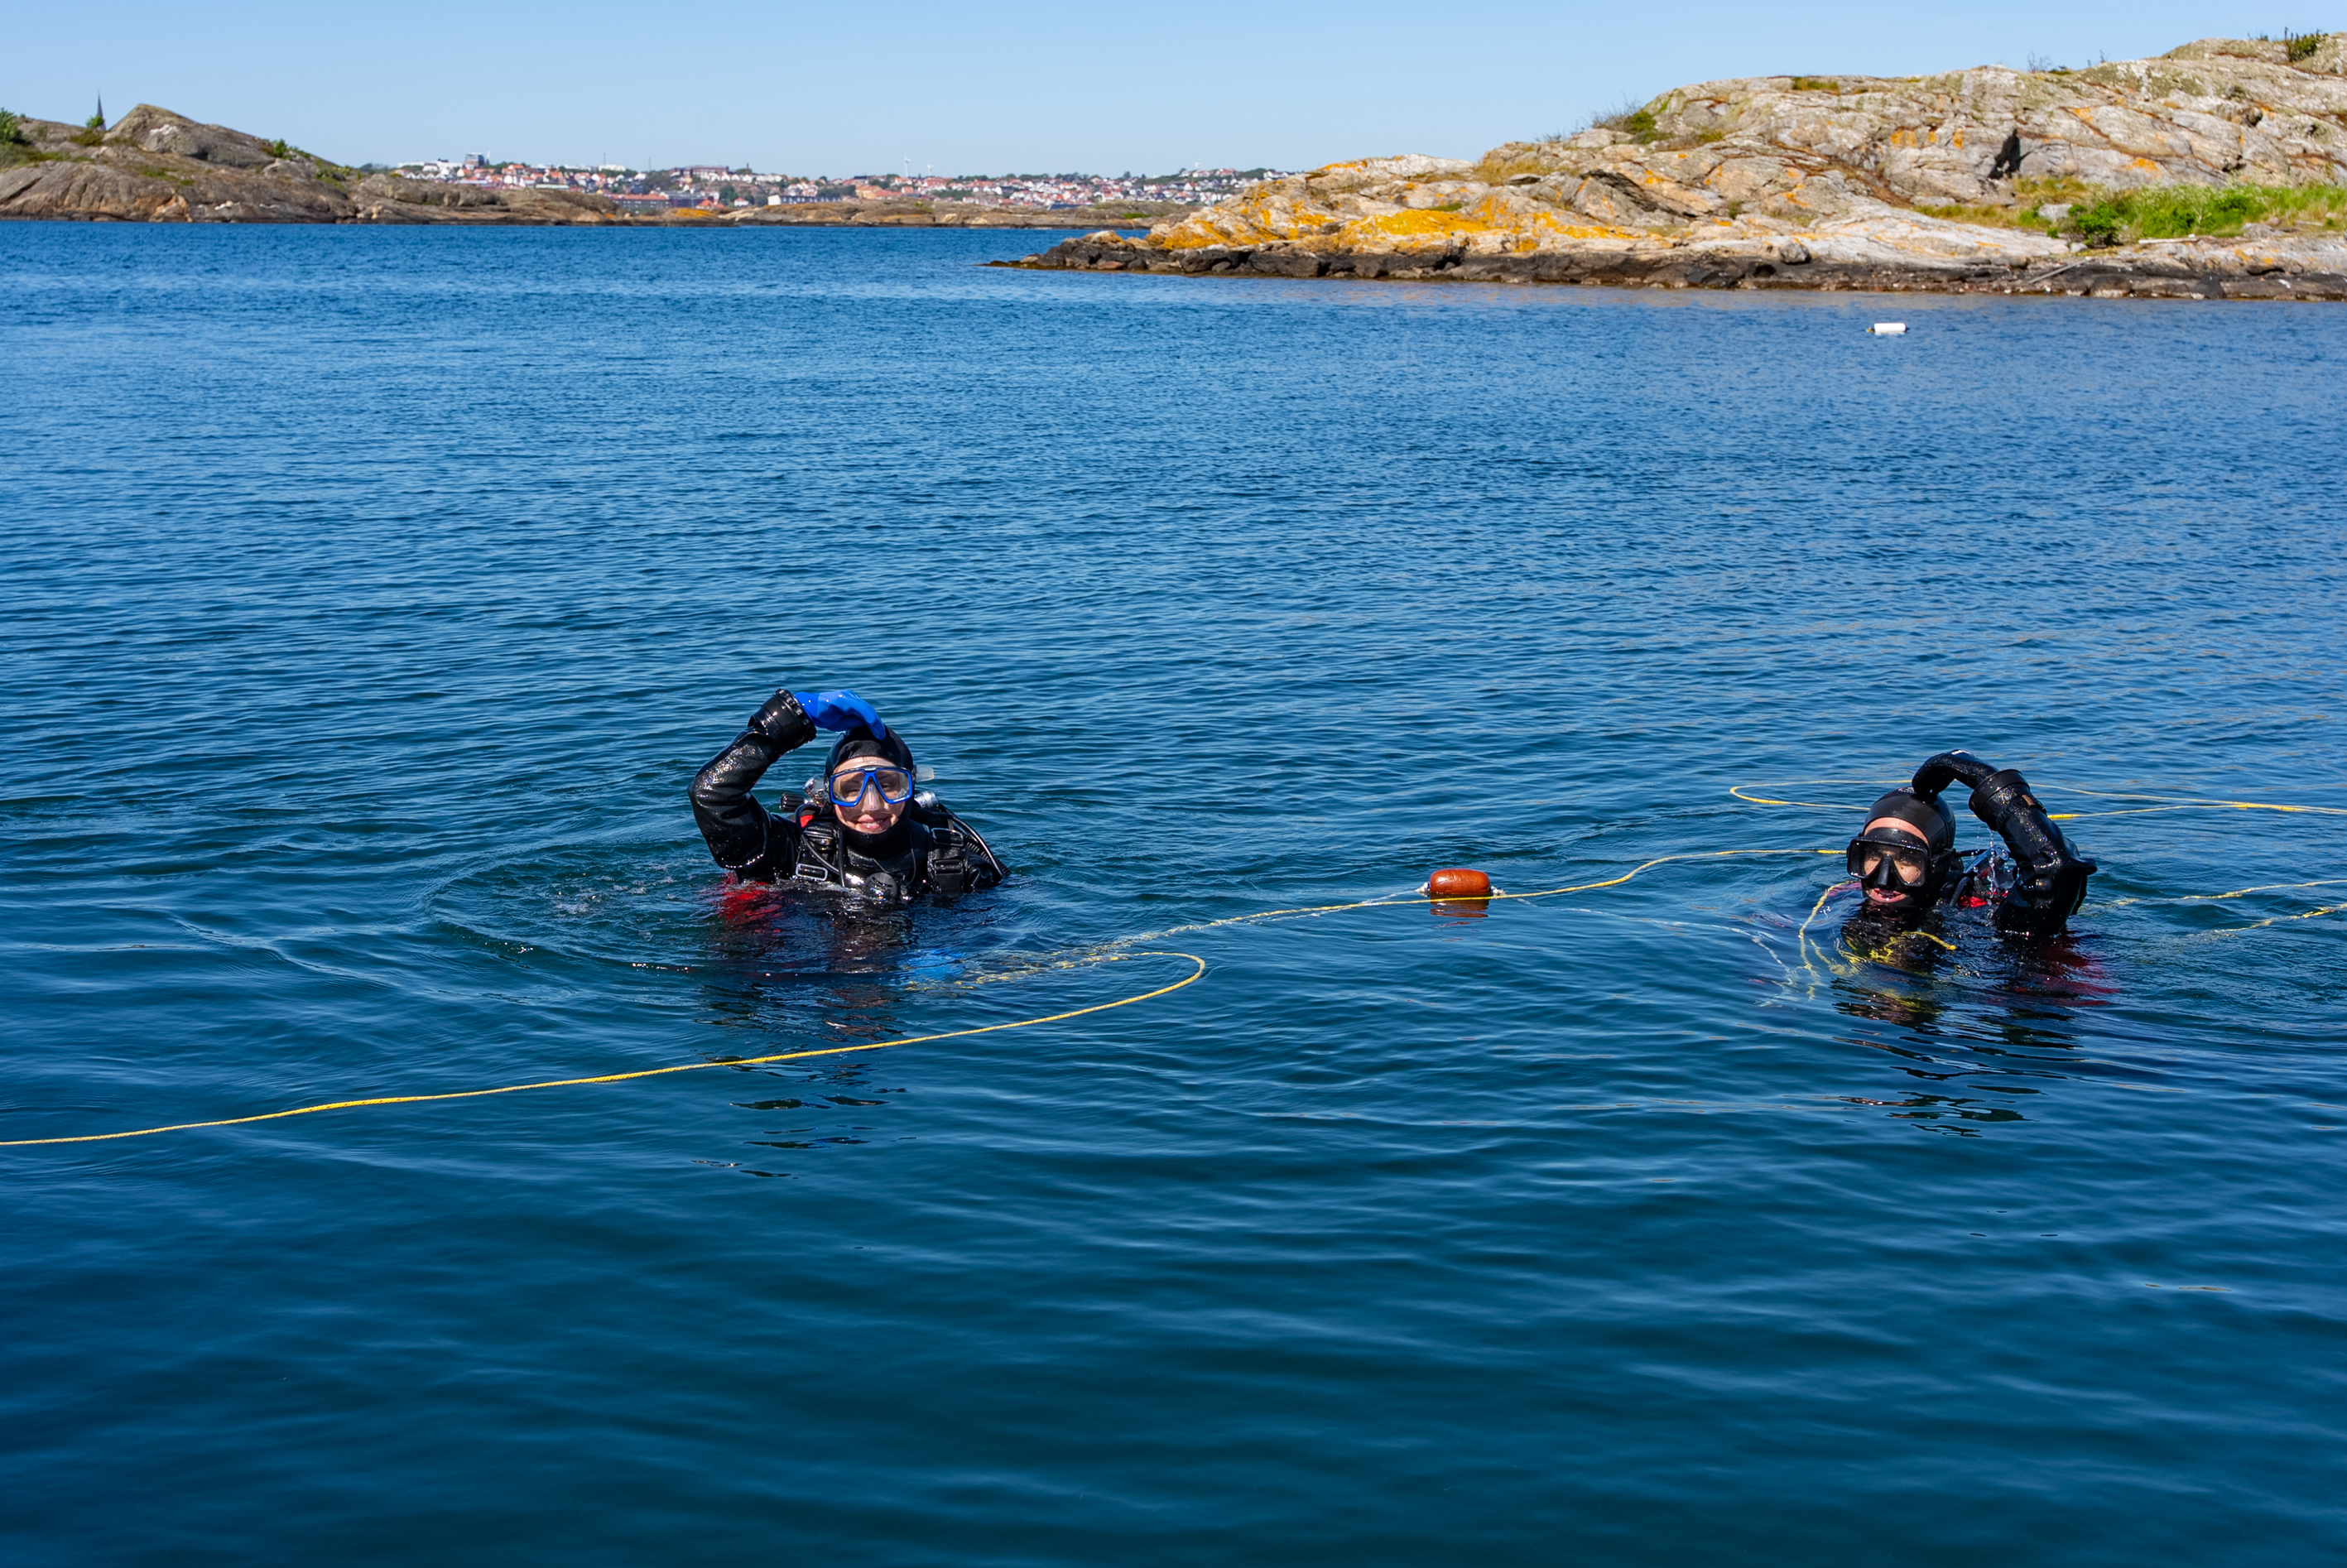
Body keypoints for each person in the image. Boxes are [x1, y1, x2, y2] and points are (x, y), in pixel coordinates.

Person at [690, 687, 1004, 903]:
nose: (871, 804)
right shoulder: (792, 852)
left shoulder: (954, 861)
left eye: (889, 784)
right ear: (829, 794)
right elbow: (712, 794)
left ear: (911, 789)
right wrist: (790, 718)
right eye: (850, 788)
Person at [1845, 751, 2095, 936]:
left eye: (1908, 859)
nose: (1883, 879)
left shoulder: (1975, 919)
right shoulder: (1837, 900)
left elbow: (2055, 869)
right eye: (1873, 856)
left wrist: (1994, 787)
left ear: (1939, 865)